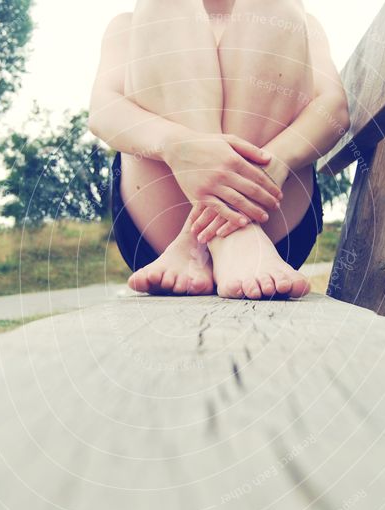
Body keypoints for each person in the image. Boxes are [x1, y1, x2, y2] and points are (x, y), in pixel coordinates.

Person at [89, 0, 349, 299]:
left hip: (272, 214)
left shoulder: (295, 19)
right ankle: (237, 239)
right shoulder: (129, 24)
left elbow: (333, 110)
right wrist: (178, 147)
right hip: (160, 222)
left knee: (275, 6)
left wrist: (274, 162)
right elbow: (104, 111)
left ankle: (200, 242)